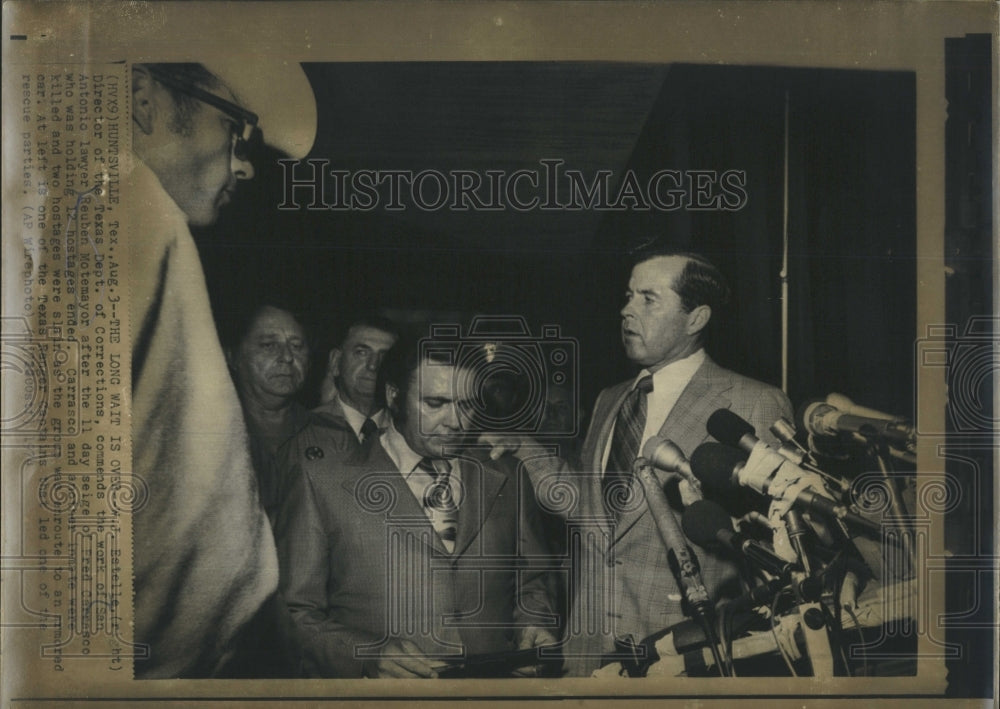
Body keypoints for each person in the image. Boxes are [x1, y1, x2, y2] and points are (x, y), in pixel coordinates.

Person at [484, 249, 793, 676]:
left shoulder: (752, 402)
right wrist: (526, 447)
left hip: (684, 659)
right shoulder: (610, 399)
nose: (627, 310)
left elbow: (774, 553)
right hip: (587, 656)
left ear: (696, 318)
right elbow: (597, 512)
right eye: (629, 296)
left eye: (648, 299)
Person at [128, 60, 315, 678]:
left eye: (298, 346)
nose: (245, 164)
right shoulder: (132, 213)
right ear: (143, 98)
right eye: (236, 130)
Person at [275, 336, 558, 678]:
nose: (454, 422)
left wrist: (534, 626)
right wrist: (364, 655)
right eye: (435, 403)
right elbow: (295, 614)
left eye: (466, 405)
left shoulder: (507, 474)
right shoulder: (322, 481)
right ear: (394, 396)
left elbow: (534, 582)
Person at [226, 303, 312, 524]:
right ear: (233, 357)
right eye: (268, 345)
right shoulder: (213, 436)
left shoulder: (326, 434)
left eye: (297, 345)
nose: (287, 357)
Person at [312, 315, 399, 456]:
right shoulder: (305, 430)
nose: (373, 365)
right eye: (362, 353)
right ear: (335, 362)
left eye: (385, 356)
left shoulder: (408, 436)